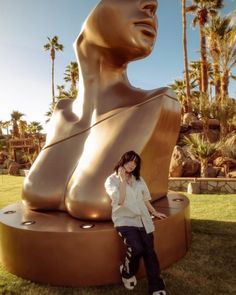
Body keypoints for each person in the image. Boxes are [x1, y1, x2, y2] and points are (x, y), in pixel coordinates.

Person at [104, 151, 167, 295]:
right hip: (124, 219)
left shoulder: (139, 179)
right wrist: (122, 180)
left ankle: (156, 287)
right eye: (129, 161)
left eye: (135, 162)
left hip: (143, 219)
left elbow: (145, 199)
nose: (132, 165)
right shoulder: (111, 180)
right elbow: (120, 200)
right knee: (137, 248)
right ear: (123, 161)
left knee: (150, 252)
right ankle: (126, 272)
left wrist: (154, 212)